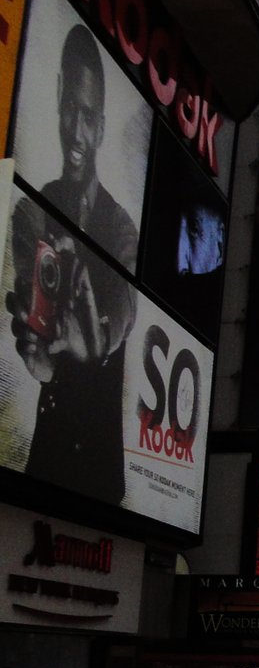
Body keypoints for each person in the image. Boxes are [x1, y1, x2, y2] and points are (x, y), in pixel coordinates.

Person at [5, 26, 139, 507]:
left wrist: (92, 341)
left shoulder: (123, 229)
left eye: (89, 117)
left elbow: (120, 318)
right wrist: (42, 360)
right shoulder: (33, 211)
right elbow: (33, 312)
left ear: (102, 126)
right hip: (46, 465)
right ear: (58, 97)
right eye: (70, 110)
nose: (77, 132)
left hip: (102, 477)